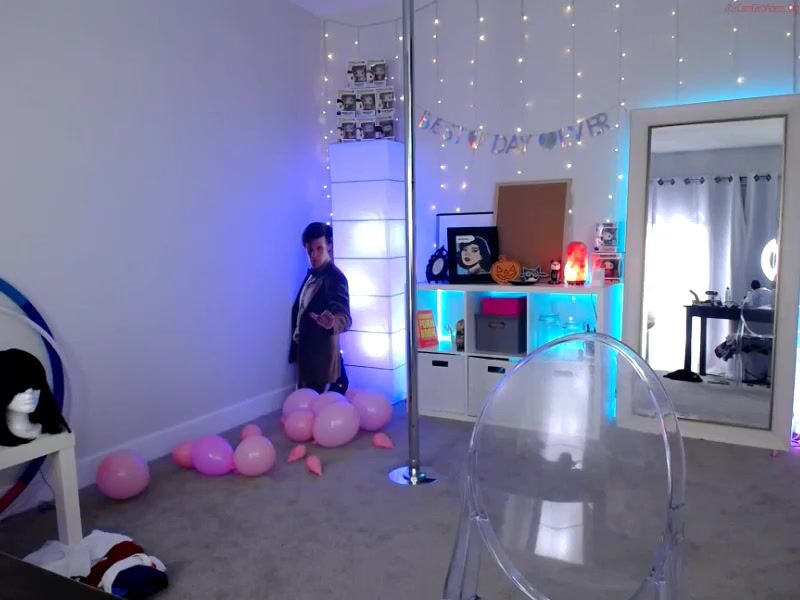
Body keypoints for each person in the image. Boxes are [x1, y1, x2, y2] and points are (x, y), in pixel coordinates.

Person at [289, 223, 352, 394]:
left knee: (319, 404)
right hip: (306, 355)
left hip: (322, 360)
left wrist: (333, 322)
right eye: (310, 250)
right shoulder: (311, 275)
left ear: (329, 246)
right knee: (306, 401)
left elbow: (345, 317)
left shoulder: (335, 278)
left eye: (319, 249)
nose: (314, 255)